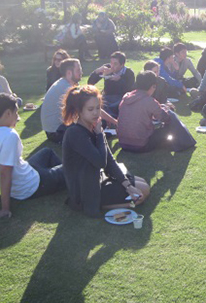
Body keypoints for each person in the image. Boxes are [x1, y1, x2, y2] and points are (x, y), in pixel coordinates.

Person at [0, 93, 66, 222]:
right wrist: (5, 209)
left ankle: (64, 178)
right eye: (16, 113)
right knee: (72, 166)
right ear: (8, 113)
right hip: (32, 186)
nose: (18, 117)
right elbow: (5, 173)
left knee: (47, 152)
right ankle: (66, 177)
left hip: (28, 172)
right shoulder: (10, 136)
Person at [61, 85, 150, 217]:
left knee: (142, 184)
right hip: (86, 189)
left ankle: (128, 198)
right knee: (143, 191)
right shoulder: (75, 133)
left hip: (97, 177)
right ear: (79, 111)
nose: (96, 113)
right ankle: (97, 205)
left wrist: (127, 186)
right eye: (90, 109)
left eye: (98, 108)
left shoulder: (93, 127)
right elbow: (101, 162)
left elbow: (109, 159)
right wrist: (100, 135)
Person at [118, 71, 196, 152]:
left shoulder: (126, 97)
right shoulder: (149, 101)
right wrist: (166, 109)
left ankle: (185, 142)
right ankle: (186, 142)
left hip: (123, 143)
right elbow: (165, 118)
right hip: (141, 145)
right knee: (171, 117)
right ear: (153, 86)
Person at [41, 58, 82, 143]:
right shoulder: (66, 88)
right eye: (78, 70)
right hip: (57, 132)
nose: (81, 73)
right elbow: (85, 108)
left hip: (52, 131)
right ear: (69, 73)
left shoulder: (63, 83)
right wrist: (113, 121)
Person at [87, 51, 135, 118]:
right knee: (99, 104)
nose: (112, 66)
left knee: (117, 106)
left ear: (122, 64)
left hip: (121, 98)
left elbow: (130, 89)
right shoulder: (107, 68)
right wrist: (97, 71)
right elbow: (90, 82)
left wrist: (119, 80)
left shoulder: (128, 73)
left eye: (115, 64)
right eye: (111, 63)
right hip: (107, 97)